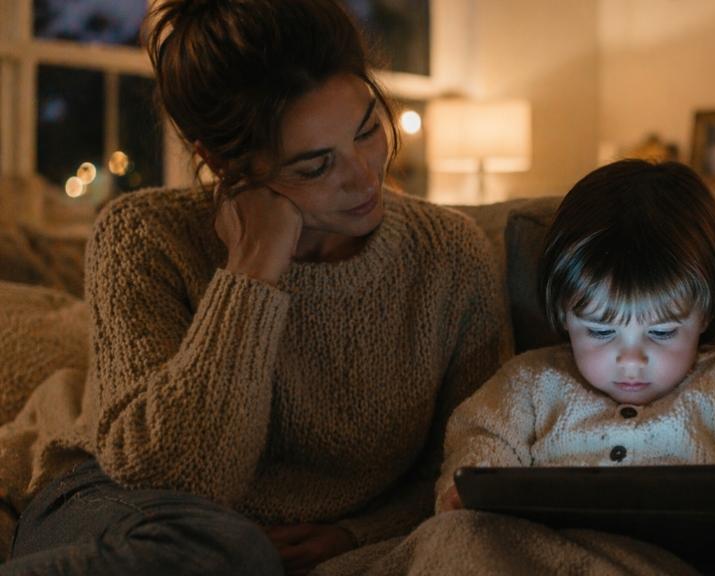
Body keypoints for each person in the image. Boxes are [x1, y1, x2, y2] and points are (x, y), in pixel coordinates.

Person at [0, 1, 503, 575]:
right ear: (223, 163)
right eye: (315, 166)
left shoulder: (449, 254)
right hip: (112, 497)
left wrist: (356, 533)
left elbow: (471, 459)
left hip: (261, 542)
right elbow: (175, 476)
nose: (366, 175)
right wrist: (252, 271)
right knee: (220, 549)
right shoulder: (140, 235)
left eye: (368, 130)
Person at [435, 160, 715, 570]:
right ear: (564, 313)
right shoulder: (529, 381)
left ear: (705, 313)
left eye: (663, 332)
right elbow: (481, 439)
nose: (632, 359)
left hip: (679, 565)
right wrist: (468, 493)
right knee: (445, 540)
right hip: (547, 560)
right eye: (601, 331)